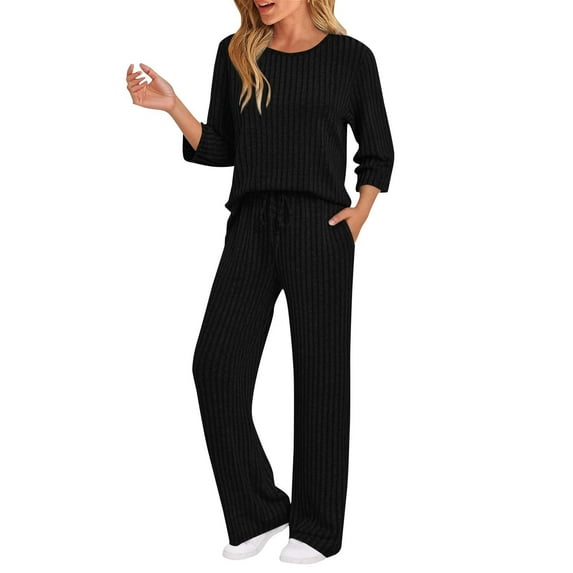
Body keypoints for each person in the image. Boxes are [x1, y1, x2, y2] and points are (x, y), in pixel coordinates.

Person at [126, 0, 394, 564]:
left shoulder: (351, 58)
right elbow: (222, 147)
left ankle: (317, 529)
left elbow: (377, 150)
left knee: (321, 379)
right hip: (249, 224)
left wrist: (360, 214)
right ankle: (258, 511)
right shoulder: (236, 53)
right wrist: (173, 106)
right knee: (215, 367)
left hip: (320, 226)